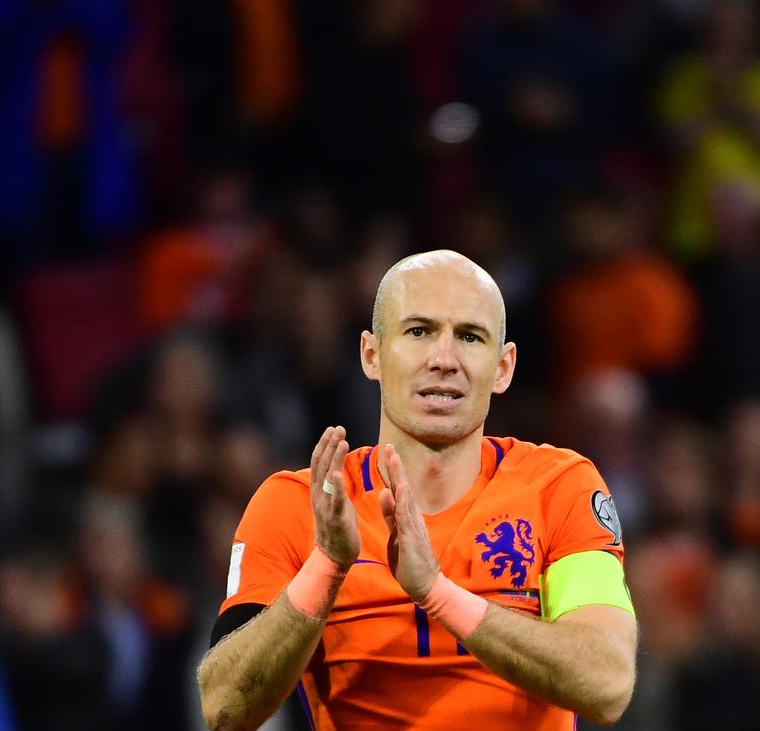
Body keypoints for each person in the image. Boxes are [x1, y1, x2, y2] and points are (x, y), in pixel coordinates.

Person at [197, 250, 637, 729]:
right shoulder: (298, 505)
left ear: (503, 367)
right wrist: (326, 566)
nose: (443, 360)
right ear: (371, 354)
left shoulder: (559, 487)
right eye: (419, 331)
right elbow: (224, 708)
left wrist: (436, 593)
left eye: (469, 336)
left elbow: (607, 683)